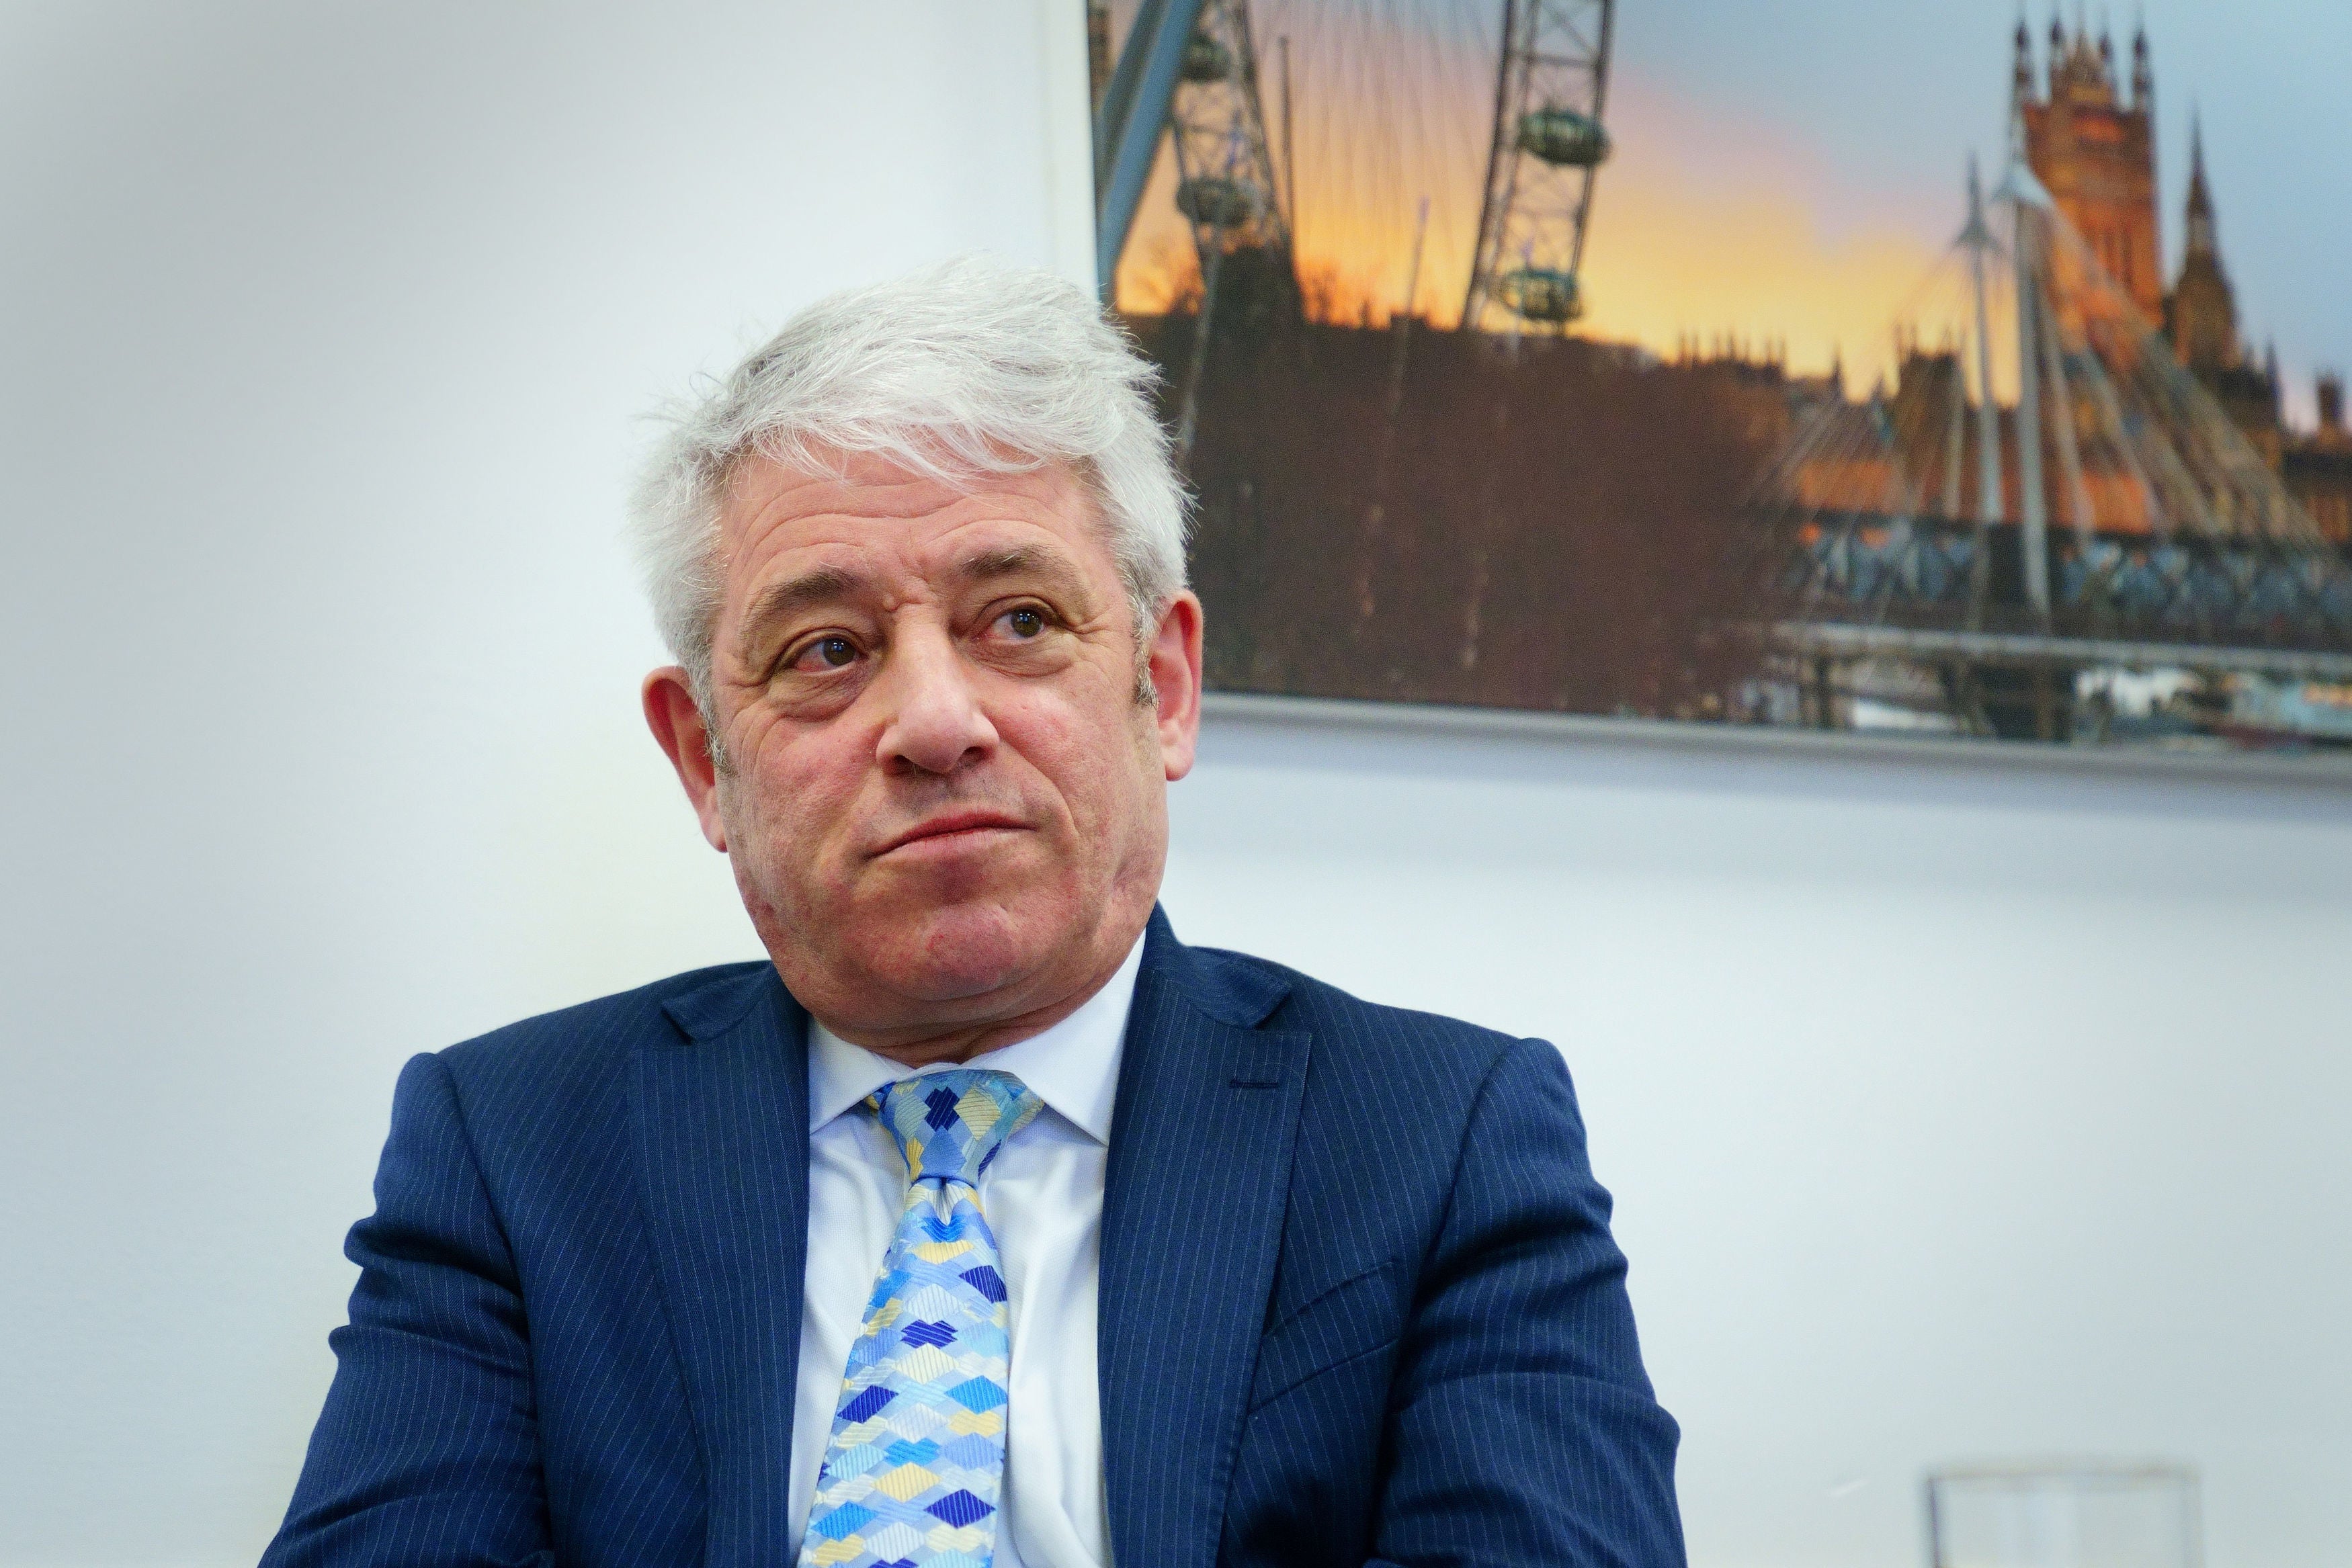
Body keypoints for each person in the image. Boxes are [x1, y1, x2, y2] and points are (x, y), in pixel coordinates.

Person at [262, 255, 1683, 1568]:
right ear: (705, 758)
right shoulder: (512, 1153)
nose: (935, 723)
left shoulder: (1442, 1139)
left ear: (1164, 686)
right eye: (827, 651)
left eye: (1018, 620)